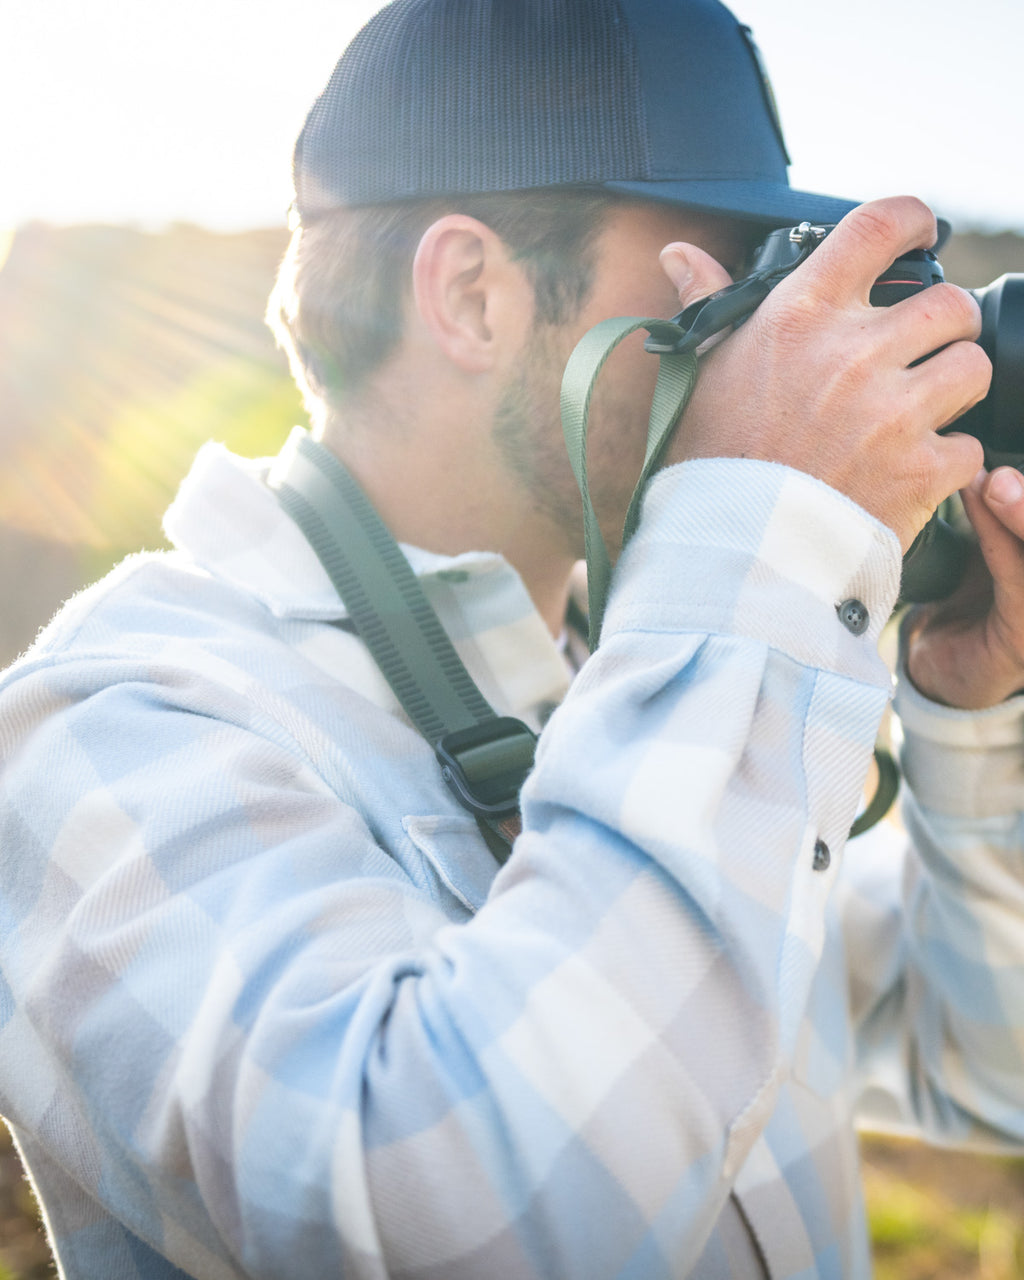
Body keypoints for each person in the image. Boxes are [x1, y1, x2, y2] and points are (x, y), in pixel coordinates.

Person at [1, 0, 1023, 1276]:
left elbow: (985, 1062)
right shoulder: (118, 721)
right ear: (473, 295)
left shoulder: (635, 654)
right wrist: (757, 538)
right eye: (723, 273)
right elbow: (483, 1223)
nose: (769, 340)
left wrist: (964, 712)